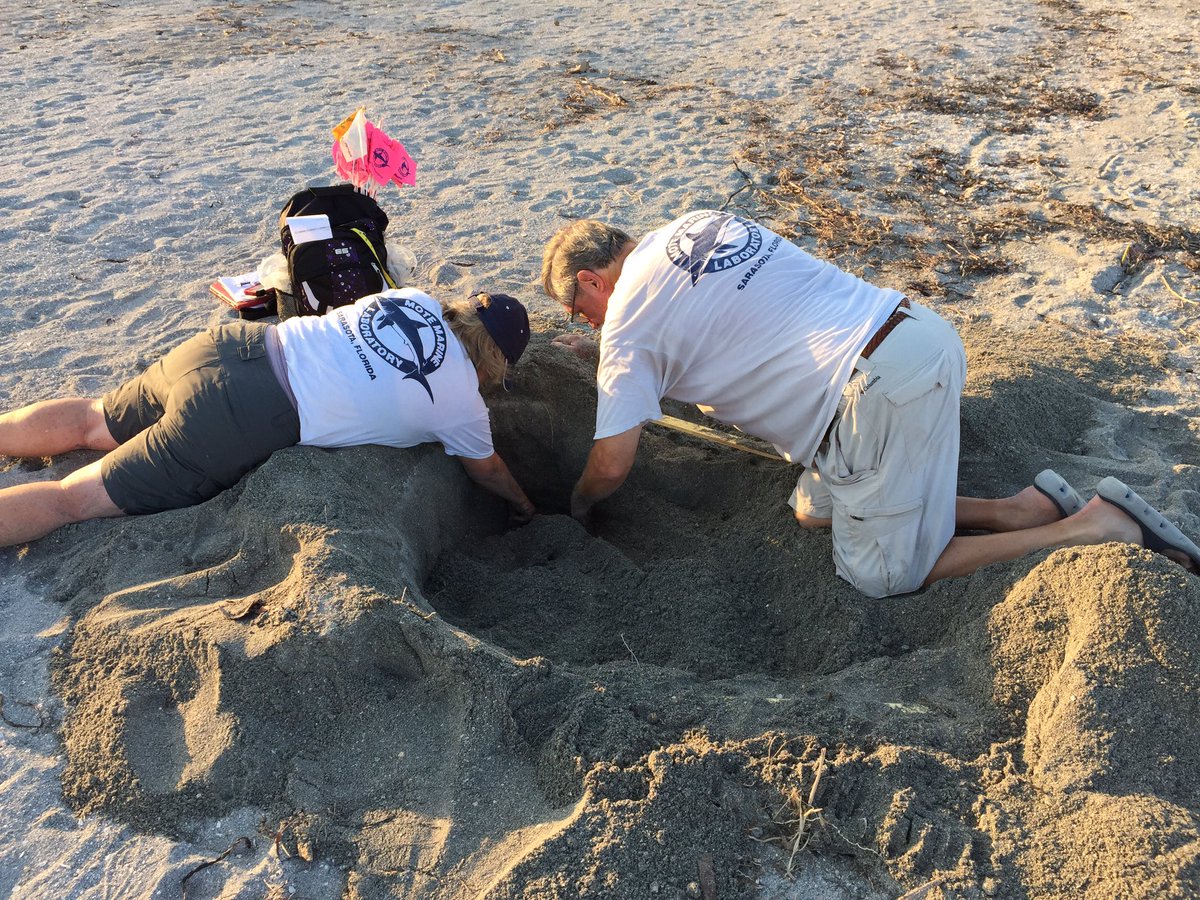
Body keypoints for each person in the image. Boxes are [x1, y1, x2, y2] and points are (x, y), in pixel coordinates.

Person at [541, 211, 1199, 598]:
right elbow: (712, 318)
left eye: (580, 310)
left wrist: (577, 506)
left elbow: (612, 463)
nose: (592, 325)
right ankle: (1017, 508)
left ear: (596, 281)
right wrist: (605, 351)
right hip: (919, 336)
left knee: (883, 575)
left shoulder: (628, 324)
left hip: (876, 395)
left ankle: (1087, 526)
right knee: (812, 506)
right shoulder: (695, 224)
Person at [0, 288, 536, 547]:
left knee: (93, 420)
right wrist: (523, 506)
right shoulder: (461, 403)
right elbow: (486, 468)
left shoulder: (415, 297)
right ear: (495, 362)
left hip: (230, 346)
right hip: (239, 416)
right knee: (71, 499)